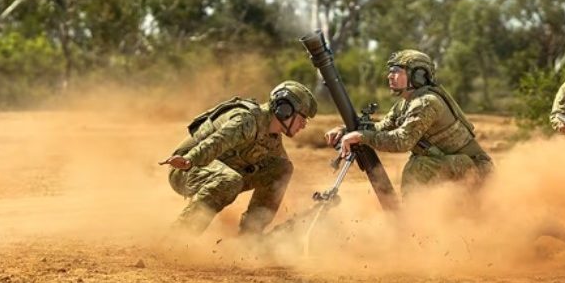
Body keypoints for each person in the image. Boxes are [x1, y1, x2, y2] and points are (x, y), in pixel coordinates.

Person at [325, 50, 493, 197]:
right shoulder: (406, 103)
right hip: (458, 165)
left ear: (418, 75)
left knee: (418, 167)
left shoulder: (427, 102)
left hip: (475, 170)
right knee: (420, 163)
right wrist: (346, 130)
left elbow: (401, 141)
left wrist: (361, 136)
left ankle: (412, 221)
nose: (390, 76)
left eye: (396, 71)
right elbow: (381, 127)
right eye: (390, 71)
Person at [160, 81, 317, 235]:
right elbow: (215, 143)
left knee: (282, 168)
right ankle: (179, 237)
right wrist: (190, 160)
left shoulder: (272, 139)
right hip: (185, 168)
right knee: (229, 180)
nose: (303, 125)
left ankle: (250, 237)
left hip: (218, 170)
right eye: (302, 119)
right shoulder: (246, 121)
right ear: (285, 110)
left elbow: (278, 178)